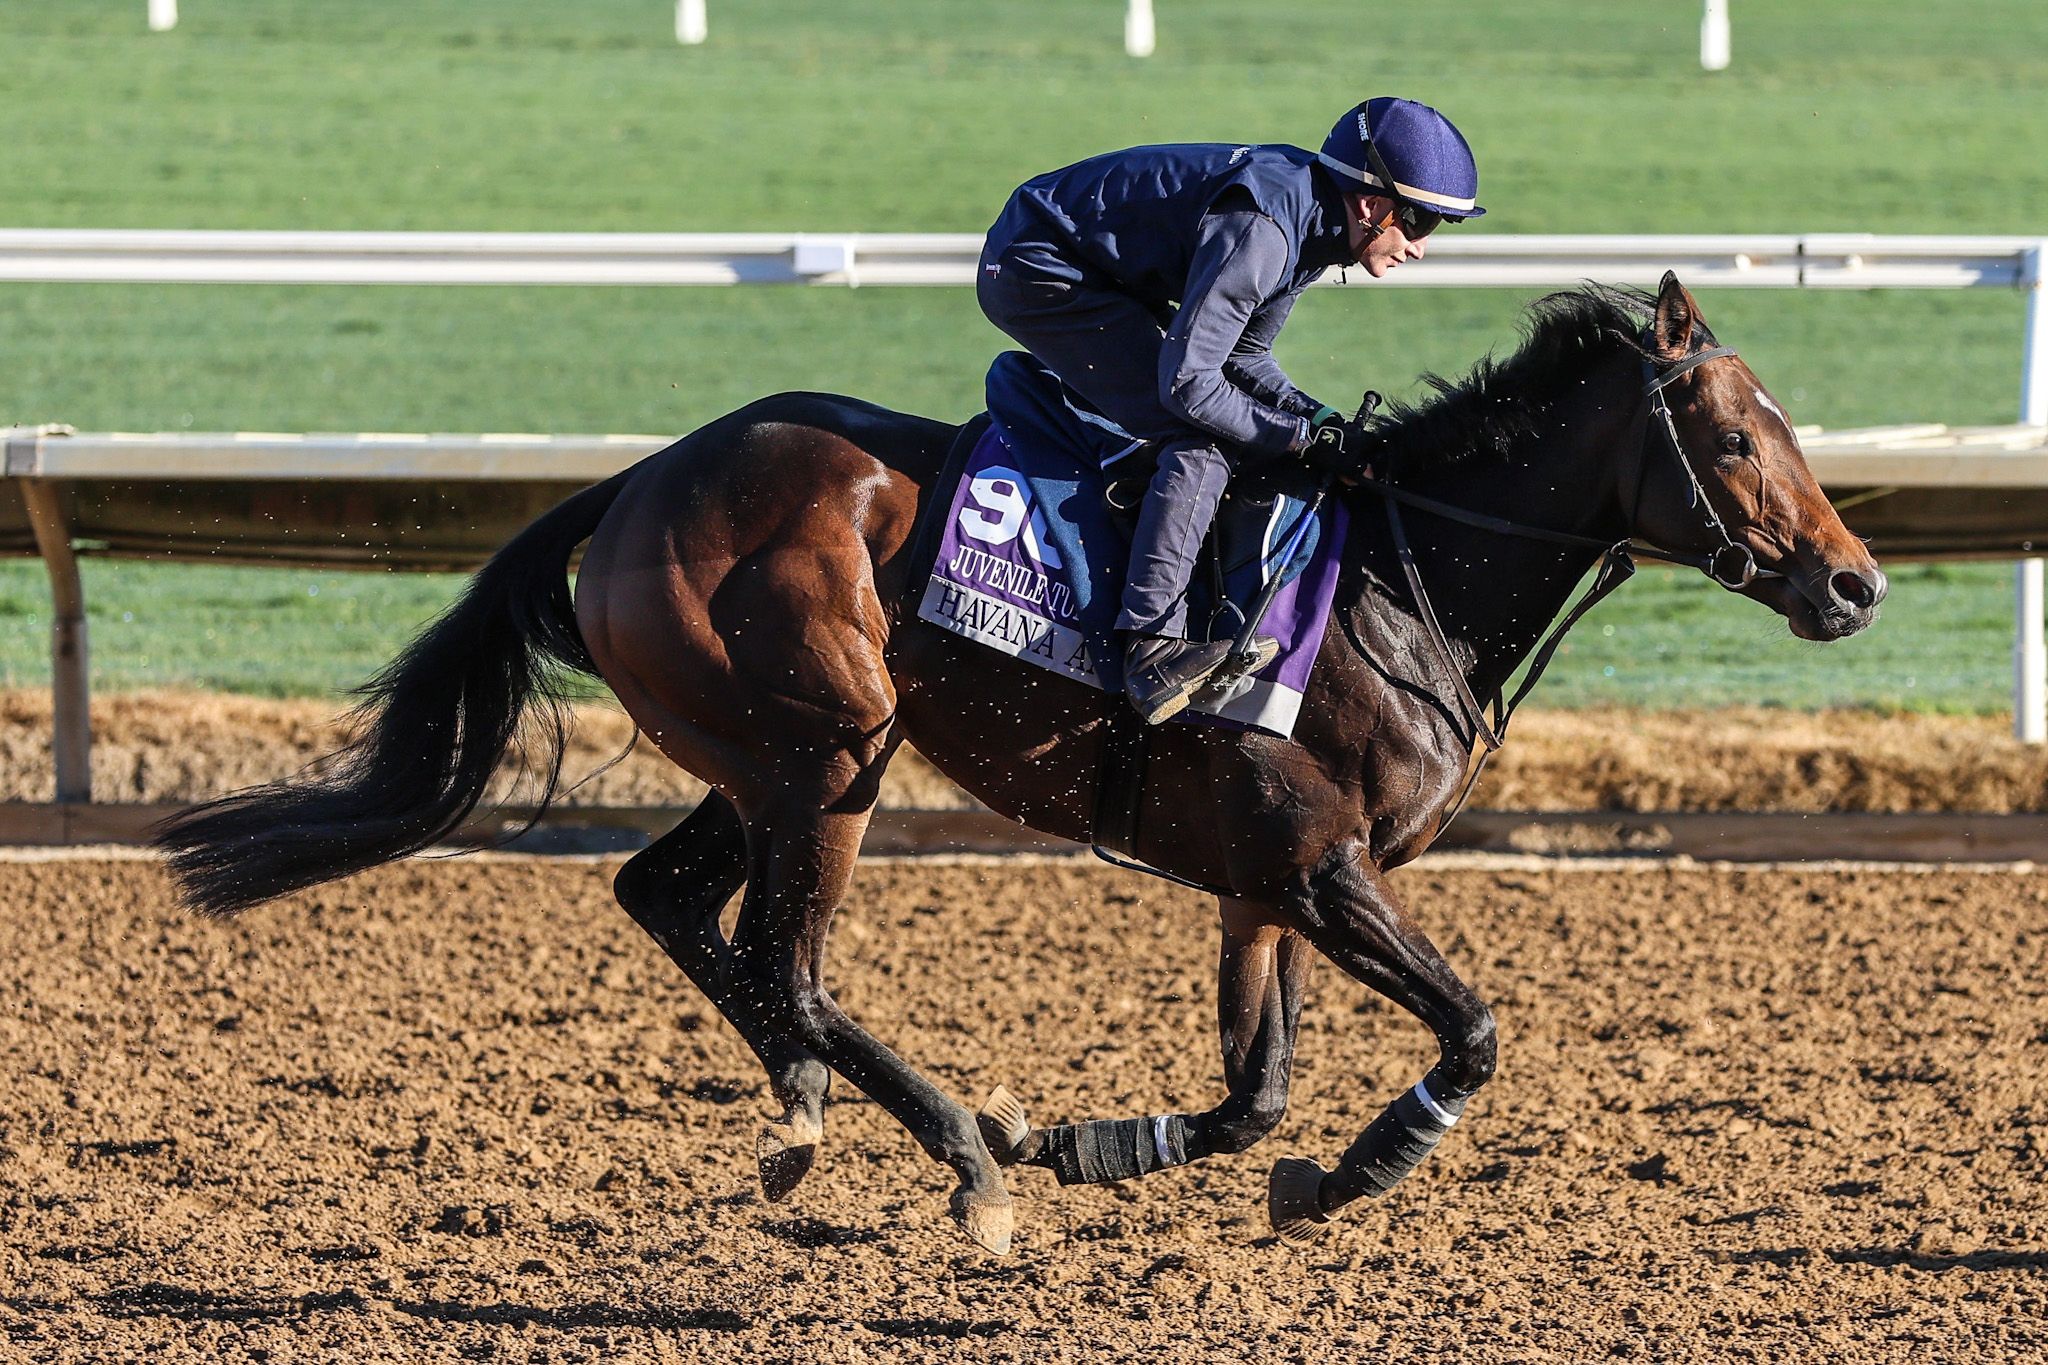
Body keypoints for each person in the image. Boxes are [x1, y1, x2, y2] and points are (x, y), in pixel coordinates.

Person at [977, 97, 1484, 724]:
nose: (1421, 247)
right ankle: (1151, 650)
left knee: (1231, 423)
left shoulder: (1316, 221)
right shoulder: (1266, 230)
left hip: (1096, 272)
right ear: (1369, 204)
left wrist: (1321, 422)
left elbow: (1245, 354)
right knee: (1200, 440)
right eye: (1419, 222)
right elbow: (1190, 387)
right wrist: (1297, 440)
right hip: (1038, 268)